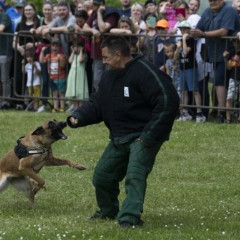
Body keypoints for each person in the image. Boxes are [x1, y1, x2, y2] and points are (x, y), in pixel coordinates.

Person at [67, 36, 179, 228]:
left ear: (118, 54)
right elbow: (97, 103)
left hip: (143, 135)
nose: (103, 61)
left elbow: (168, 101)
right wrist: (78, 117)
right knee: (102, 176)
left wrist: (149, 136)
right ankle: (108, 210)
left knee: (134, 175)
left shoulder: (145, 72)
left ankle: (129, 218)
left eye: (105, 57)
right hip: (119, 137)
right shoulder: (109, 76)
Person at [191, 0, 240, 123]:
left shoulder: (229, 10)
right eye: (210, 0)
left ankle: (222, 113)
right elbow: (198, 28)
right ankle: (220, 111)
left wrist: (203, 34)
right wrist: (190, 31)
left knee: (220, 81)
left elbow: (224, 31)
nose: (212, 2)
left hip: (230, 54)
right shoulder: (207, 12)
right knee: (218, 82)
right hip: (213, 54)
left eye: (215, 0)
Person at [175, 20, 205, 122]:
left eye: (185, 29)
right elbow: (176, 57)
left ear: (189, 30)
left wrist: (183, 41)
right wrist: (177, 48)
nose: (183, 31)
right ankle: (184, 113)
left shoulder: (191, 40)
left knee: (194, 90)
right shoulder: (179, 41)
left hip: (191, 68)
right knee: (183, 91)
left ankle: (199, 113)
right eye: (181, 29)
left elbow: (186, 52)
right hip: (182, 68)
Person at [223, 38, 240, 123]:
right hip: (233, 78)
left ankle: (239, 120)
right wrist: (225, 58)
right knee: (229, 98)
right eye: (234, 41)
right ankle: (228, 119)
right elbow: (228, 67)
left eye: (237, 41)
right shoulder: (231, 52)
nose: (235, 43)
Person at [40, 36, 67, 112]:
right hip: (52, 78)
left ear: (59, 47)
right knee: (54, 93)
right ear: (51, 46)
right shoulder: (49, 56)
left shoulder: (61, 56)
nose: (55, 47)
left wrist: (60, 60)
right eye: (53, 45)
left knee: (61, 93)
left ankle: (62, 107)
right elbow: (42, 61)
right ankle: (55, 107)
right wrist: (42, 51)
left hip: (61, 78)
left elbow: (62, 65)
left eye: (57, 46)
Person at [65, 38, 89, 111]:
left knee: (80, 91)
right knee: (74, 91)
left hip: (80, 75)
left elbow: (80, 59)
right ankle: (75, 107)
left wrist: (81, 50)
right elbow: (70, 61)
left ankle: (80, 108)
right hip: (73, 74)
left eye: (77, 46)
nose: (76, 48)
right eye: (74, 46)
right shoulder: (74, 55)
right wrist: (73, 52)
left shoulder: (84, 55)